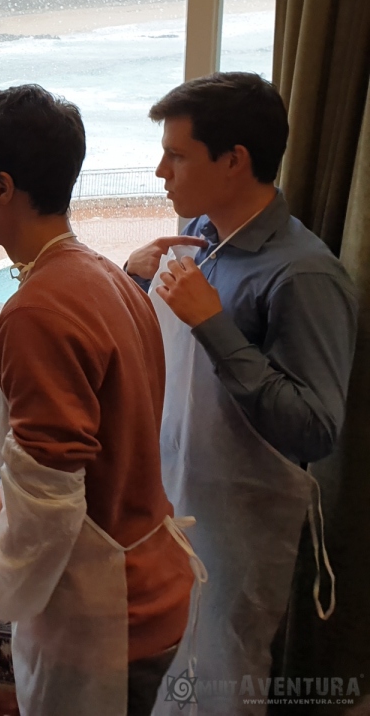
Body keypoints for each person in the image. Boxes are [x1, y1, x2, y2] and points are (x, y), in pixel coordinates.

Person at [0, 86, 201, 716]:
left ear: (4, 188)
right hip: (149, 579)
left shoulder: (36, 311)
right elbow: (91, 448)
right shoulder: (109, 277)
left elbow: (49, 504)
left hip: (105, 611)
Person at [125, 73, 356, 715]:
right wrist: (133, 279)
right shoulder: (199, 236)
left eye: (176, 155)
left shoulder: (304, 274)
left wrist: (213, 323)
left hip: (240, 536)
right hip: (175, 506)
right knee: (168, 677)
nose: (160, 172)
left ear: (234, 161)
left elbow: (315, 427)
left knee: (222, 682)